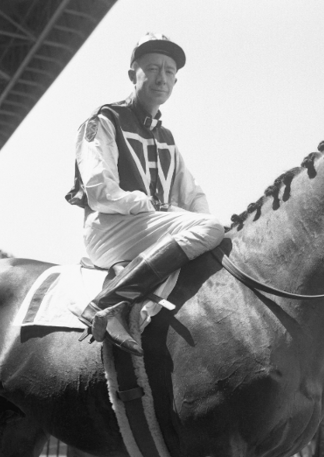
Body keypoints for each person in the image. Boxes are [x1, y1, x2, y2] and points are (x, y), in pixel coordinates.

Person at [66, 32, 224, 355]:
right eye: (152, 68)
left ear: (175, 82)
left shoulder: (166, 137)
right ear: (132, 75)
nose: (161, 78)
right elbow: (98, 189)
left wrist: (207, 221)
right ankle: (109, 303)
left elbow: (191, 193)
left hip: (147, 229)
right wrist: (145, 205)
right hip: (110, 228)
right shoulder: (105, 119)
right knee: (210, 230)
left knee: (213, 230)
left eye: (168, 72)